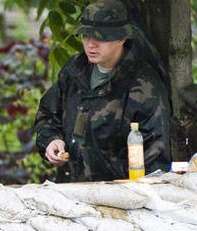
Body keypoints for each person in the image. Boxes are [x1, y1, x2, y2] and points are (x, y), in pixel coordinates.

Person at [34, 0, 171, 182]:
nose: (91, 44)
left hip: (118, 192)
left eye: (101, 38)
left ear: (121, 39)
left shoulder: (144, 86)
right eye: (86, 36)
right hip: (68, 189)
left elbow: (155, 158)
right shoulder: (75, 70)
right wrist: (51, 140)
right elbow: (47, 114)